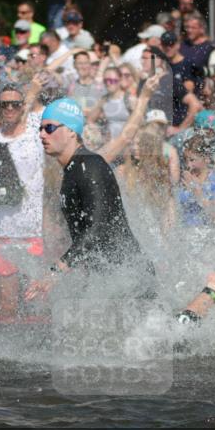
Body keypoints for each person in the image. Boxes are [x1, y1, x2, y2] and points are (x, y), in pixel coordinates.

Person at [25, 98, 154, 302]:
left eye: (49, 128)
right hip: (108, 277)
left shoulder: (90, 165)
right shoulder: (72, 169)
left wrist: (56, 271)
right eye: (40, 129)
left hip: (130, 277)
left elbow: (99, 227)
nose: (42, 134)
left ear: (71, 131)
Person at [0, 83, 45, 321]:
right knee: (7, 308)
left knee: (39, 308)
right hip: (3, 231)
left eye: (14, 104)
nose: (9, 109)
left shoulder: (37, 136)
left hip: (34, 230)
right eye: (4, 104)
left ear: (22, 107)